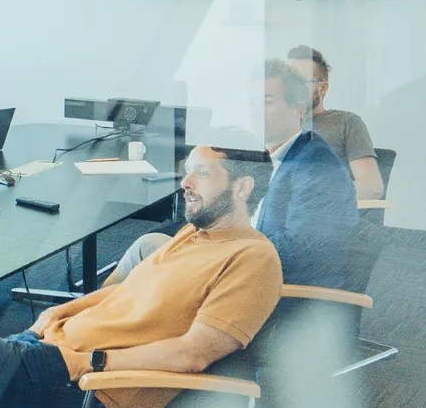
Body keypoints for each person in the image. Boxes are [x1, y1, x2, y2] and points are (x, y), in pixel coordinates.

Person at [0, 145, 281, 408]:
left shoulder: (253, 258)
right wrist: (55, 314)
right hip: (47, 352)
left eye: (203, 173)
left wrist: (88, 361)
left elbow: (192, 354)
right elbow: (126, 289)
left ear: (242, 187)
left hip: (87, 392)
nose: (186, 183)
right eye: (187, 171)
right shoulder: (195, 234)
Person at [113, 62, 358, 291]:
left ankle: (93, 321)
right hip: (235, 257)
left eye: (267, 101)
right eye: (252, 103)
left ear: (298, 110)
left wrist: (221, 248)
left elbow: (300, 251)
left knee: (146, 252)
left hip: (262, 283)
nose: (255, 111)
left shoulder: (316, 164)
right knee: (150, 245)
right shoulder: (264, 155)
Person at [282, 45, 384, 201]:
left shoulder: (346, 123)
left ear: (322, 88)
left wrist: (316, 197)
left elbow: (371, 187)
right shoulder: (273, 125)